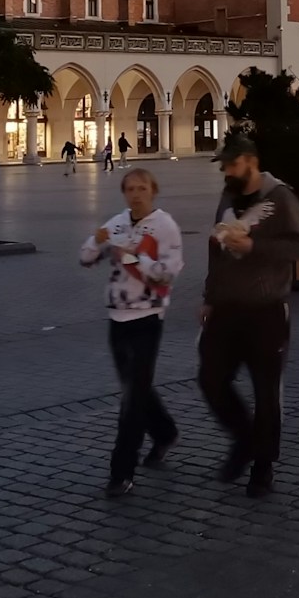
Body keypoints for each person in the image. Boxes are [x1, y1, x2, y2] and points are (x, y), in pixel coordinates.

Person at [200, 133, 299, 498]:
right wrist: (209, 296)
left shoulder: (280, 196)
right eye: (224, 166)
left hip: (266, 308)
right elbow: (214, 246)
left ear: (250, 160)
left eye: (232, 164)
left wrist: (254, 246)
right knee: (211, 379)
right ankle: (244, 438)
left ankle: (262, 467)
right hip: (227, 307)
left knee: (266, 393)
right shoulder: (228, 195)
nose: (227, 171)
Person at [81, 168, 184, 497]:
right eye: (130, 189)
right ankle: (165, 432)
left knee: (132, 399)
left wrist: (133, 257)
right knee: (135, 387)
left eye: (142, 188)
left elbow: (167, 273)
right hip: (117, 317)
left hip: (148, 316)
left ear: (153, 190)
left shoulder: (165, 226)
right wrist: (96, 242)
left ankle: (121, 471)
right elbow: (85, 257)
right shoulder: (118, 222)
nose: (136, 194)